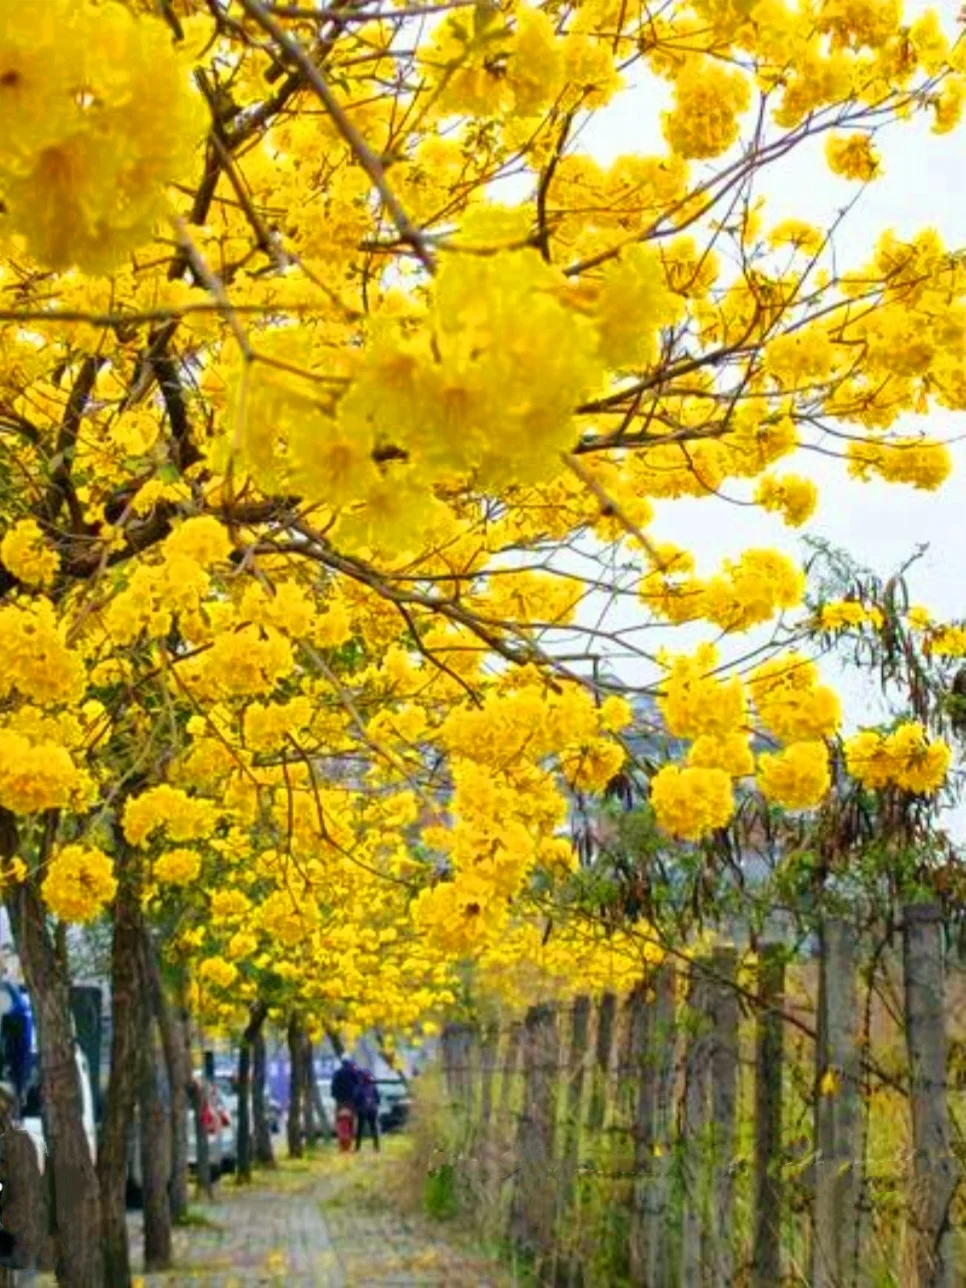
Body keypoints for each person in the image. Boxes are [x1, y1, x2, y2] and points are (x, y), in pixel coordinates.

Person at [330, 1058, 358, 1154]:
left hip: (340, 1102)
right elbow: (358, 1085)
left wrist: (335, 1096)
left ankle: (342, 1147)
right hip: (350, 1102)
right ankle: (349, 1146)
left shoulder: (337, 1073)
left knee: (340, 1122)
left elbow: (333, 1088)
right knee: (350, 1123)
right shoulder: (353, 1072)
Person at [353, 1069, 380, 1152]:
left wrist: (357, 1107)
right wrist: (375, 1104)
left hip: (362, 1110)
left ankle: (357, 1148)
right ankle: (376, 1147)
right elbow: (378, 1099)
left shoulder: (359, 1087)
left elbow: (355, 1098)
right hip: (372, 1109)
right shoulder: (373, 1087)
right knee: (373, 1128)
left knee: (360, 1129)